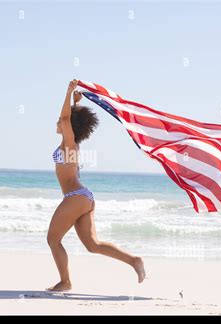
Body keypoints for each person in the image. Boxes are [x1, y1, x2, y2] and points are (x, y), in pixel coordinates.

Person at [46, 79, 146, 292]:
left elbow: (66, 119)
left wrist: (68, 93)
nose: (57, 122)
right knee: (93, 245)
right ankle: (134, 260)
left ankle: (65, 282)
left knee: (53, 239)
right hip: (84, 197)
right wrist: (75, 103)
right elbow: (69, 119)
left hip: (75, 196)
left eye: (60, 121)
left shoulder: (69, 144)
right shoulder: (71, 144)